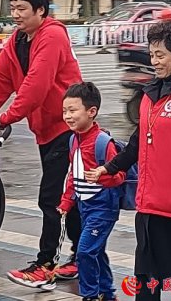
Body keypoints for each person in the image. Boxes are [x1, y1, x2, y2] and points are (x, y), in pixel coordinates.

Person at [85, 20, 171, 301]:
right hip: (154, 204)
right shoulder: (152, 93)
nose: (154, 61)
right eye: (152, 54)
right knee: (147, 279)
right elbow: (139, 141)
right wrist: (110, 168)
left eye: (161, 55)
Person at [0, 0, 82, 288]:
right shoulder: (20, 40)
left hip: (68, 128)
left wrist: (5, 118)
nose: (16, 14)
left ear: (41, 10)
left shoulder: (52, 36)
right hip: (46, 130)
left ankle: (46, 265)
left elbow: (37, 85)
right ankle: (80, 259)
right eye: (13, 8)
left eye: (22, 9)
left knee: (51, 198)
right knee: (68, 197)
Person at [58, 82, 125, 301]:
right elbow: (72, 174)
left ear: (91, 111)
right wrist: (66, 202)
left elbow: (120, 177)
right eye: (65, 111)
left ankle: (90, 295)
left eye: (73, 110)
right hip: (85, 207)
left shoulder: (103, 142)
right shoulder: (73, 139)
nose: (67, 116)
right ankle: (107, 293)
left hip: (103, 208)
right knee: (96, 252)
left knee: (85, 252)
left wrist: (102, 174)